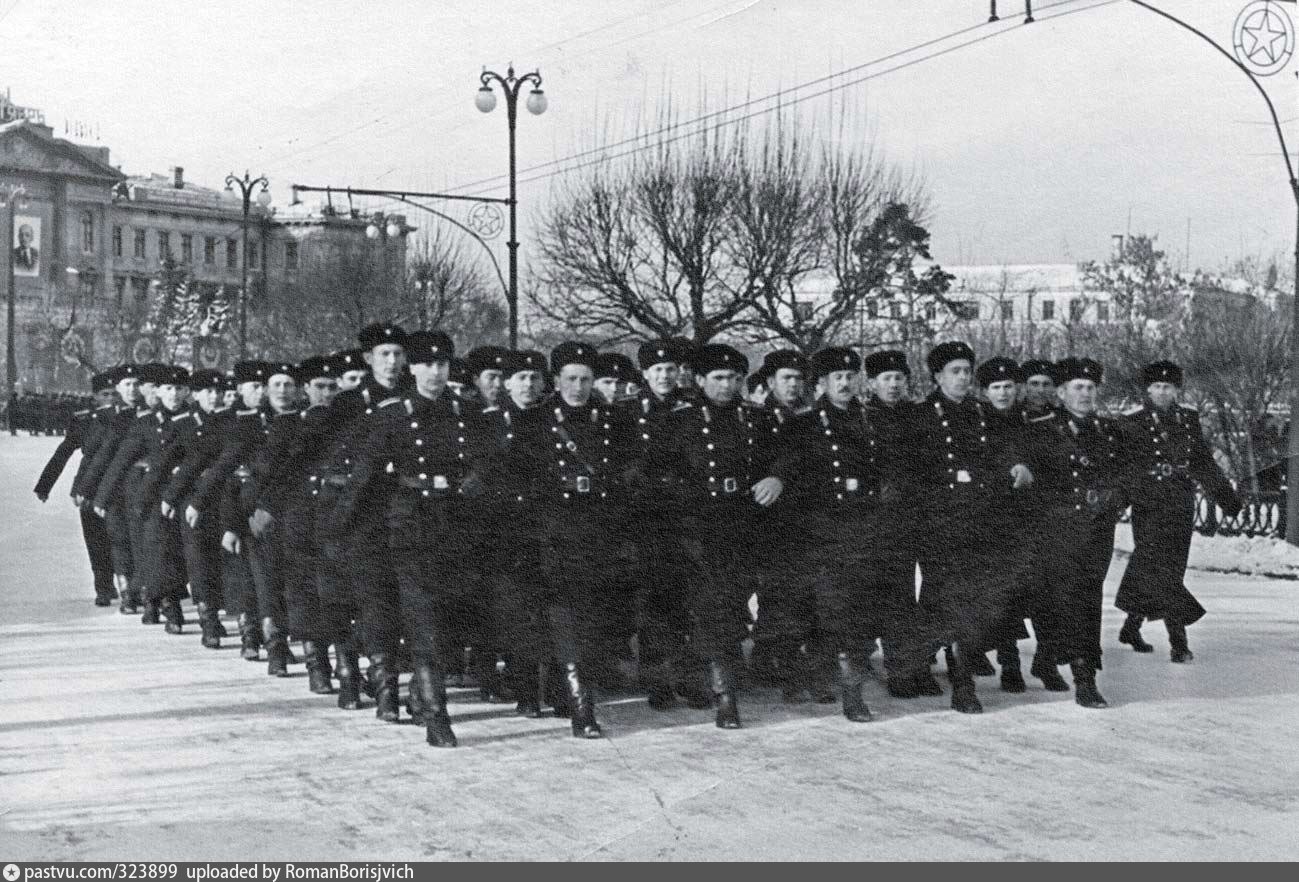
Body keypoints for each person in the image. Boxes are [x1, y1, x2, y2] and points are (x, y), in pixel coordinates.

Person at [342, 331, 480, 746]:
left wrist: (474, 481)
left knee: (451, 612)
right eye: (427, 365)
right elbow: (365, 475)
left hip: (456, 521)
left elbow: (486, 458)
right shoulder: (391, 414)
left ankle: (422, 694)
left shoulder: (464, 411)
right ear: (412, 368)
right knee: (424, 619)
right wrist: (339, 525)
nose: (436, 373)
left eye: (443, 365)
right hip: (410, 522)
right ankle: (438, 715)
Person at [657, 343, 792, 729]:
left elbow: (785, 454)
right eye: (718, 378)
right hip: (697, 526)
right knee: (712, 604)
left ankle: (709, 673)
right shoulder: (678, 420)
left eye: (734, 378)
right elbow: (657, 472)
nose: (727, 385)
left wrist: (776, 477)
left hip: (746, 521)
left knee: (732, 603)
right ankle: (724, 693)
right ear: (699, 380)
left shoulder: (756, 418)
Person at [903, 342, 1033, 714]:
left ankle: (962, 678)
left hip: (979, 518)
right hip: (937, 522)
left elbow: (1005, 446)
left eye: (966, 371)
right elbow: (909, 467)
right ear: (938, 376)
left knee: (973, 599)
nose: (962, 378)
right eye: (955, 371)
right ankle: (929, 664)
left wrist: (1017, 464)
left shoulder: (982, 412)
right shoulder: (921, 415)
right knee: (939, 596)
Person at [1115, 360, 1242, 662]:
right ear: (1147, 389)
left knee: (1167, 567)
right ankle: (1178, 641)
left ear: (1176, 389)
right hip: (1148, 503)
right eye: (1157, 386)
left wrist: (1226, 497)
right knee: (1161, 568)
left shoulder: (1188, 418)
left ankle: (1131, 626)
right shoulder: (1131, 421)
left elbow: (1202, 461)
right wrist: (1118, 502)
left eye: (1167, 387)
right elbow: (1123, 467)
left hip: (1180, 501)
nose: (1162, 391)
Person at [1027, 357, 1131, 708]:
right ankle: (1083, 677)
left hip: (1097, 529)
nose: (1085, 394)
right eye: (1078, 388)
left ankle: (1049, 660)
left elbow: (1126, 474)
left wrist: (1114, 498)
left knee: (1087, 598)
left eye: (1090, 388)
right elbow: (1033, 481)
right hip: (1056, 530)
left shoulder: (1108, 431)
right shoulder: (1041, 429)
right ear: (1061, 392)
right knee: (1065, 599)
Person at [861, 349, 942, 699]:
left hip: (924, 513)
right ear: (872, 382)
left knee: (931, 591)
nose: (894, 385)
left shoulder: (922, 415)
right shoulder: (864, 416)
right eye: (886, 379)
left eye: (899, 378)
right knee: (896, 593)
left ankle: (921, 661)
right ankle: (900, 667)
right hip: (883, 518)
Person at [747, 348, 823, 702]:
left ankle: (777, 660)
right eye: (786, 378)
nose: (793, 384)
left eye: (797, 378)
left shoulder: (813, 416)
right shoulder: (758, 418)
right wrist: (777, 476)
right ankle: (779, 663)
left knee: (804, 594)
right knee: (778, 593)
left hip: (811, 518)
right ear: (771, 382)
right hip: (771, 520)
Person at [33, 370, 116, 606]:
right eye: (104, 394)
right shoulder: (84, 420)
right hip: (89, 486)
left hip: (118, 484)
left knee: (118, 537)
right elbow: (64, 452)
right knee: (95, 539)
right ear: (95, 396)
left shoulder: (125, 418)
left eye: (113, 393)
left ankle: (125, 582)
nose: (110, 398)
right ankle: (103, 586)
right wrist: (45, 485)